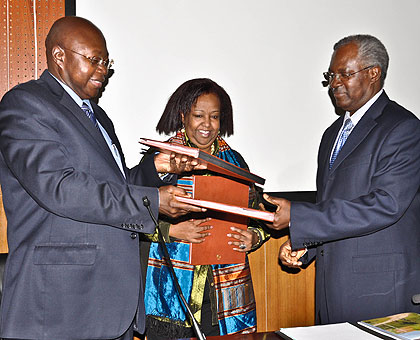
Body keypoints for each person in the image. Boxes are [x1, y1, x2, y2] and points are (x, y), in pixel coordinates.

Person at [0, 16, 205, 340]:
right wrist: (154, 202)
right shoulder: (25, 104)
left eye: (106, 63)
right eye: (93, 60)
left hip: (110, 300)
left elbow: (116, 185)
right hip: (61, 306)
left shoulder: (98, 116)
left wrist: (157, 168)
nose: (103, 71)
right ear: (59, 56)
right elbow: (59, 187)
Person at [264, 34, 420, 324]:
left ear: (374, 73)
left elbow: (385, 205)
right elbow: (332, 205)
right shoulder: (331, 134)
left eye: (344, 74)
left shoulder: (403, 128)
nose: (334, 83)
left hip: (380, 293)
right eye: (331, 75)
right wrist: (305, 245)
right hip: (330, 290)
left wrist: (299, 216)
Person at [141, 78, 270, 339]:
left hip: (227, 297)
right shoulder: (159, 162)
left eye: (214, 117)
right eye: (199, 115)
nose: (207, 125)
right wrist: (173, 230)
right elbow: (132, 217)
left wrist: (254, 236)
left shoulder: (235, 162)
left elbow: (263, 213)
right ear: (182, 116)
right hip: (174, 292)